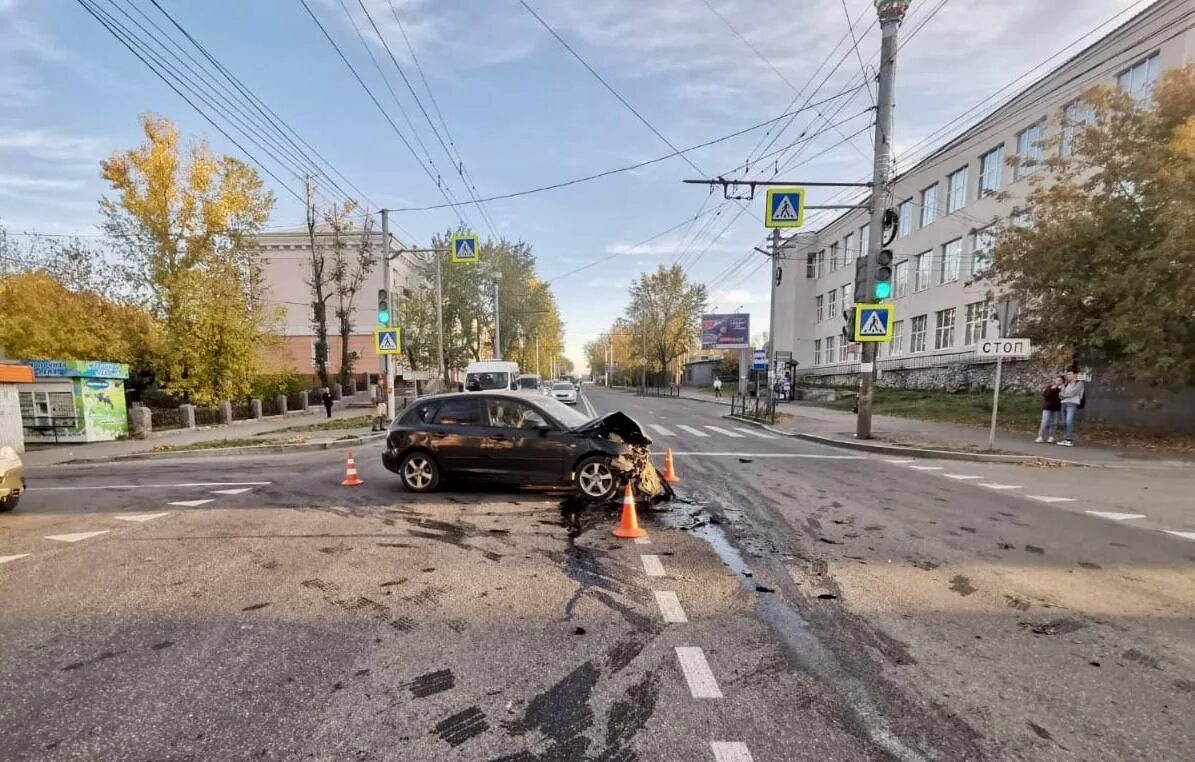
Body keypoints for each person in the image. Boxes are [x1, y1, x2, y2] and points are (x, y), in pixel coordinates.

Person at [1058, 369, 1085, 446]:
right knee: (1064, 422)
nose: (1068, 376)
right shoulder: (1066, 384)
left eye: (1070, 374)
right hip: (1063, 404)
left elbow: (1073, 393)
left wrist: (1063, 395)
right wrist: (1062, 395)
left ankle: (1069, 440)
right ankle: (1066, 439)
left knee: (1069, 421)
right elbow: (1060, 394)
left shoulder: (1079, 383)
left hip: (1072, 404)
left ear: (1075, 375)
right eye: (1067, 374)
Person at [1035, 375, 1064, 443]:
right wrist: (1054, 389)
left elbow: (1061, 396)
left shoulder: (1063, 389)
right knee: (1045, 422)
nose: (1058, 382)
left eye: (1060, 381)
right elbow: (1046, 396)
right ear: (1055, 380)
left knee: (1054, 423)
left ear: (1062, 382)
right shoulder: (1050, 387)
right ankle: (1040, 436)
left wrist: (1059, 389)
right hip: (1047, 407)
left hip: (1057, 408)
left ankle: (1051, 436)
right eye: (1057, 380)